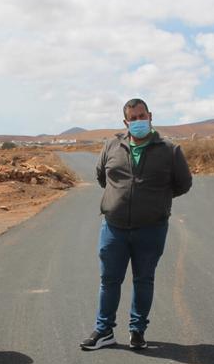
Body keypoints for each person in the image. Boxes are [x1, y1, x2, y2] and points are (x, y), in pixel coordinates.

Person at [80, 98, 192, 351]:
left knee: (144, 280)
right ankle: (104, 330)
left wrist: (154, 201)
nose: (139, 121)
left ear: (150, 116)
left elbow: (183, 184)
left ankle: (137, 331)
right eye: (133, 118)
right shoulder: (111, 146)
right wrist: (121, 199)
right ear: (125, 122)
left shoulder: (169, 150)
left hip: (151, 229)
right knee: (109, 280)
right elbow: (102, 177)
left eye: (143, 116)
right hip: (114, 228)